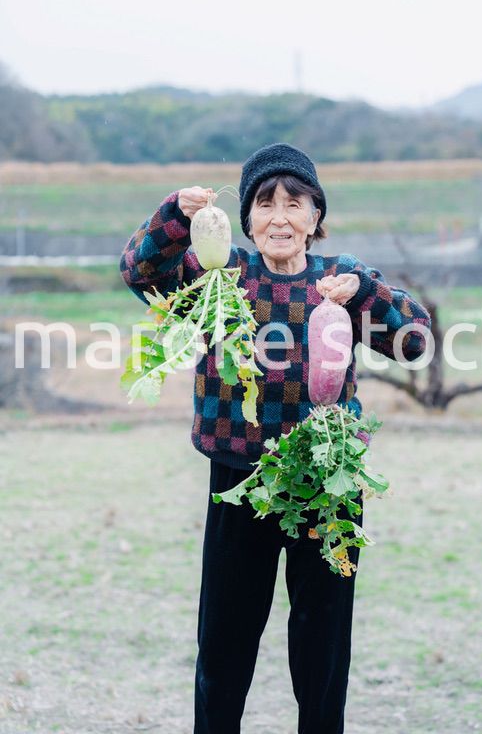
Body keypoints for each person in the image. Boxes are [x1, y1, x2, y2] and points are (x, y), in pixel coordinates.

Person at [119, 142, 432, 733]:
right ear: (247, 220)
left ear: (316, 217)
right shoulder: (218, 278)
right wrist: (175, 217)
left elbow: (415, 338)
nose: (280, 216)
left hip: (328, 484)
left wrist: (363, 296)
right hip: (238, 483)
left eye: (296, 203)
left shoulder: (341, 281)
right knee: (224, 648)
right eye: (265, 203)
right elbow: (141, 272)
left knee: (322, 650)